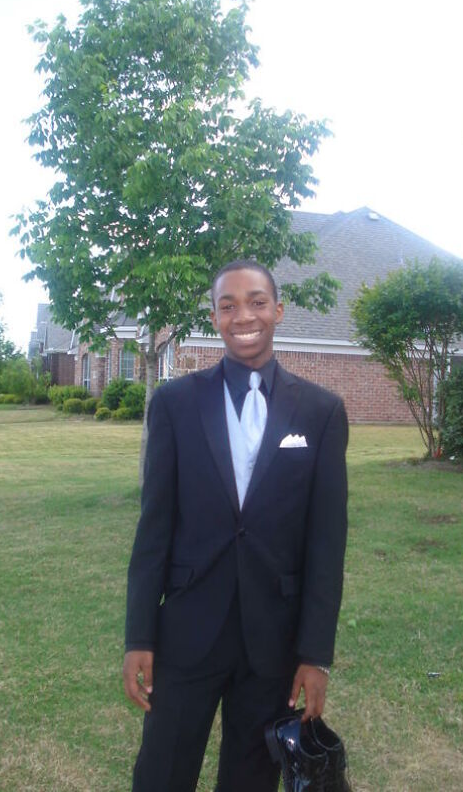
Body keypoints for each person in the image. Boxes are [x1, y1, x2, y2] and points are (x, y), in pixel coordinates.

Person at [123, 260, 349, 792]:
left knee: (250, 779)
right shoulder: (176, 404)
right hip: (188, 633)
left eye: (255, 301)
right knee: (160, 773)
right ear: (215, 317)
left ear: (278, 311)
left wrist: (315, 655)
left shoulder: (320, 412)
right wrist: (139, 636)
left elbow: (326, 545)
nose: (242, 314)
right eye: (228, 305)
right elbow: (153, 528)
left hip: (272, 641)